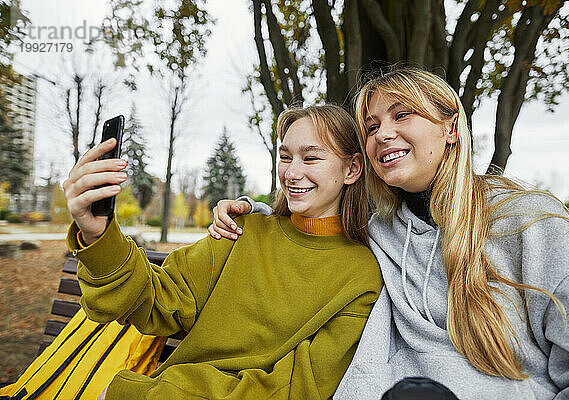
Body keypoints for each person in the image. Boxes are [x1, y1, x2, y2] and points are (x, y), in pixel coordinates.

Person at [208, 68, 569, 399]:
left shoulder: (530, 221)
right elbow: (312, 217)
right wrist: (248, 210)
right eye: (373, 126)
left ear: (450, 127)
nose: (382, 134)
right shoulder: (378, 231)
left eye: (402, 116)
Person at [62, 104, 383, 399]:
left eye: (310, 158)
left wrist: (149, 395)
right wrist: (98, 234)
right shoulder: (240, 229)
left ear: (352, 169)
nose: (292, 173)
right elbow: (158, 300)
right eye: (285, 157)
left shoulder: (362, 277)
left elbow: (295, 388)